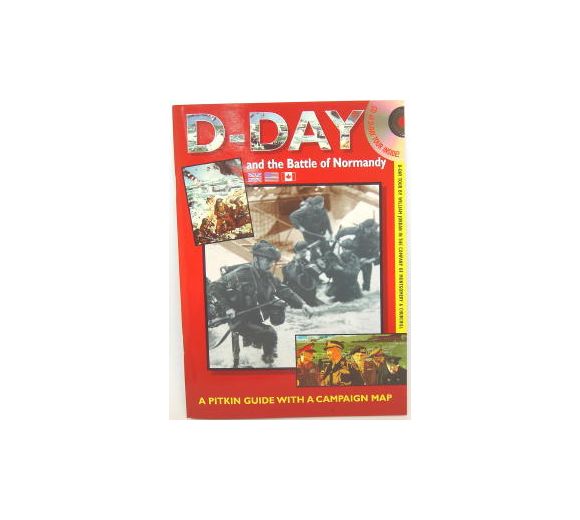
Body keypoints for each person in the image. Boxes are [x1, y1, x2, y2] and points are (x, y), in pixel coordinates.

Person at [208, 240, 313, 365]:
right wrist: (228, 308)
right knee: (269, 333)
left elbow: (283, 290)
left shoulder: (267, 276)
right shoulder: (241, 273)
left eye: (272, 261)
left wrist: (302, 304)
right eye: (267, 260)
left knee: (257, 344)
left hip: (253, 318)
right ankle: (269, 364)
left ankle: (253, 365)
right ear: (256, 259)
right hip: (238, 319)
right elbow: (214, 287)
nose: (271, 264)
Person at [335, 218, 380, 291]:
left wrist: (368, 260)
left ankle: (366, 290)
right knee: (351, 276)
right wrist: (337, 237)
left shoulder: (377, 237)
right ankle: (349, 290)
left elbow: (377, 255)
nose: (367, 231)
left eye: (369, 229)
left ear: (373, 229)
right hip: (355, 255)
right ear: (364, 227)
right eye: (366, 229)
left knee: (367, 280)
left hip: (367, 258)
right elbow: (345, 231)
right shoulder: (359, 230)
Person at [282, 241, 325, 307]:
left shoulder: (306, 262)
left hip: (309, 294)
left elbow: (318, 274)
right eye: (303, 252)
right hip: (298, 295)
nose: (305, 254)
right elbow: (294, 276)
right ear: (297, 252)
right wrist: (297, 264)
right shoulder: (290, 265)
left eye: (305, 252)